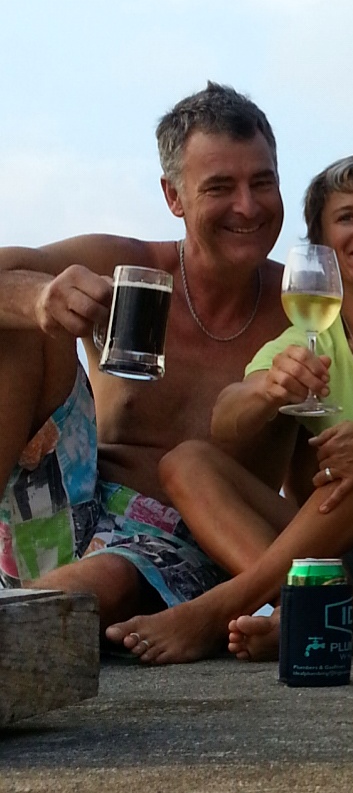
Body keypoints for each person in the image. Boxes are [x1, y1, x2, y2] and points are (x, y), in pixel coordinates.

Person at [105, 154, 353, 664]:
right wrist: (268, 391)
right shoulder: (308, 338)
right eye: (346, 217)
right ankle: (311, 601)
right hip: (335, 558)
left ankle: (228, 603)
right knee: (186, 462)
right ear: (321, 244)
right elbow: (225, 423)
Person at [0, 82, 287, 632]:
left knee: (107, 579)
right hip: (68, 506)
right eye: (220, 187)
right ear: (174, 197)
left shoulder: (305, 304)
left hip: (190, 544)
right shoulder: (127, 266)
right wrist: (40, 299)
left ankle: (20, 623)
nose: (247, 207)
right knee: (24, 322)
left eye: (262, 182)